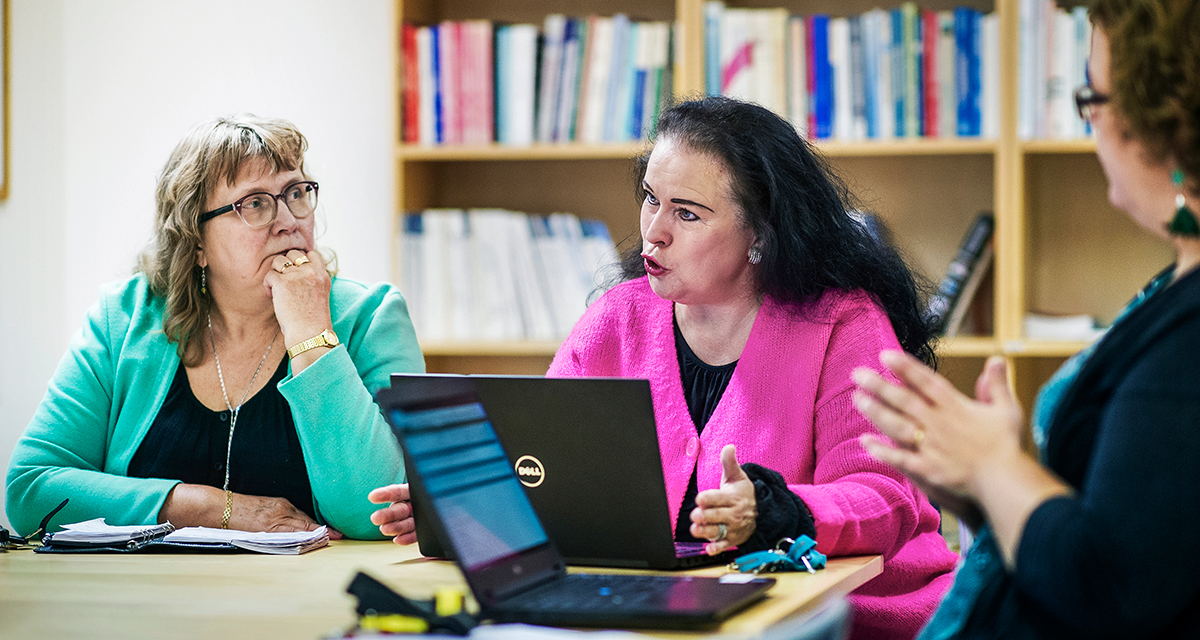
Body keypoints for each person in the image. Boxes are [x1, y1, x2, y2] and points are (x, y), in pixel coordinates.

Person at [383, 95, 961, 638]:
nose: (653, 232)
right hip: (674, 615)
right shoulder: (618, 317)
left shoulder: (843, 323)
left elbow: (885, 496)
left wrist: (782, 510)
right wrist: (465, 505)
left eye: (687, 214)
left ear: (760, 233)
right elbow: (553, 470)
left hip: (845, 620)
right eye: (651, 198)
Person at [851, 1, 1200, 637]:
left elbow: (1110, 591)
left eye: (1092, 97)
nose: (1090, 123)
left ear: (1161, 118)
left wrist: (994, 465)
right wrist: (983, 483)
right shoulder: (1175, 284)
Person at [6, 114, 424, 540]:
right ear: (197, 241)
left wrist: (311, 335)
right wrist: (212, 508)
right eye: (256, 203)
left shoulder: (372, 317)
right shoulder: (124, 319)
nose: (288, 221)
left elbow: (378, 513)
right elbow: (30, 490)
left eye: (296, 193)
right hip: (139, 598)